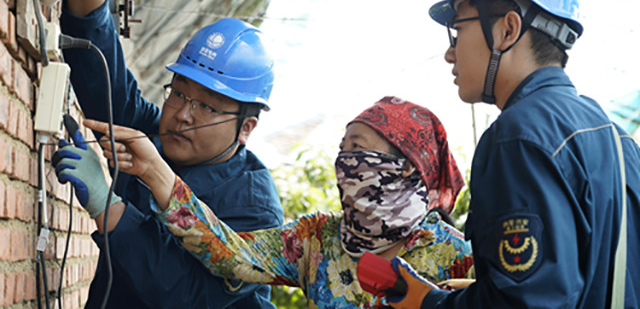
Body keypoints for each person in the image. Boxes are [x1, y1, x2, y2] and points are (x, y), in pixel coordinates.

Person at [382, 0, 640, 308]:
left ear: (508, 28)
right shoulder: (615, 136)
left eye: (457, 29)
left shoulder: (517, 137)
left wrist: (429, 303)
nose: (449, 53)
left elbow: (528, 303)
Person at [60, 96, 475, 308]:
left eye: (359, 149)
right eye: (342, 148)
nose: (345, 162)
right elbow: (231, 253)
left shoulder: (458, 257)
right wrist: (156, 174)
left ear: (405, 168)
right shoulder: (318, 239)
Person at [52, 0, 284, 307]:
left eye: (206, 105)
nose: (182, 114)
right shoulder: (157, 135)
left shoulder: (254, 208)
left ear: (245, 128)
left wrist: (107, 207)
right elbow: (104, 80)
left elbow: (189, 296)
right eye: (178, 93)